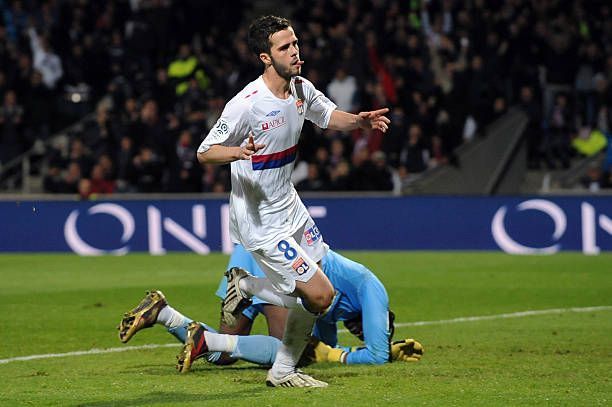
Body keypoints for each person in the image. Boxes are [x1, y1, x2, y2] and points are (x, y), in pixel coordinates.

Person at [196, 15, 390, 388]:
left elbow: (329, 116)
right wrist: (237, 151)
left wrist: (360, 122)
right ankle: (252, 294)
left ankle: (280, 363)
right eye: (285, 47)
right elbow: (205, 152)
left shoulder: (300, 88)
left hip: (291, 207)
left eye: (296, 43)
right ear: (265, 57)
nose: (295, 52)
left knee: (319, 296)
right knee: (321, 296)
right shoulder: (247, 104)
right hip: (261, 220)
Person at [117, 246, 423, 371]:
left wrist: (380, 351)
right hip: (274, 264)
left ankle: (163, 312)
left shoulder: (343, 306)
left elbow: (328, 349)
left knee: (222, 355)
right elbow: (350, 355)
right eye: (364, 331)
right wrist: (383, 352)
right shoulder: (371, 289)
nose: (358, 332)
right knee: (291, 352)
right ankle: (240, 294)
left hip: (254, 256)